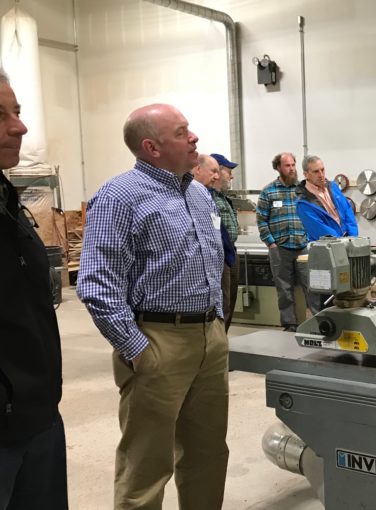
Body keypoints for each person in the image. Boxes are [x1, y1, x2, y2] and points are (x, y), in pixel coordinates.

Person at [77, 104, 229, 510]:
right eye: (182, 132)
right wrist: (137, 348)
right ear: (152, 147)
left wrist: (216, 327)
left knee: (208, 454)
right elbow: (96, 282)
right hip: (158, 339)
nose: (194, 137)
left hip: (208, 338)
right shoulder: (119, 196)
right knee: (146, 466)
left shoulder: (199, 194)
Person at [0, 72, 68, 510]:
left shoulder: (8, 199)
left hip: (37, 413)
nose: (20, 127)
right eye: (0, 115)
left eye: (18, 112)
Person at [256, 152, 319, 331]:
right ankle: (290, 324)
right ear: (278, 168)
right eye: (287, 166)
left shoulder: (302, 189)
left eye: (293, 165)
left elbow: (313, 215)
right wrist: (271, 243)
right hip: (280, 247)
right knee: (284, 289)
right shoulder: (269, 192)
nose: (292, 169)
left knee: (313, 286)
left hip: (303, 246)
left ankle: (319, 320)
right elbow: (261, 220)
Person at [209, 153, 240, 331]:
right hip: (220, 254)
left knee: (232, 298)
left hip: (232, 251)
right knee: (224, 300)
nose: (231, 176)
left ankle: (224, 336)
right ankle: (219, 337)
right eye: (229, 171)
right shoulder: (208, 196)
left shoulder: (223, 197)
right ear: (218, 172)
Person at [295, 154, 357, 241]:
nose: (321, 175)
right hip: (326, 248)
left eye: (322, 170)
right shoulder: (303, 203)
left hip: (347, 242)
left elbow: (348, 211)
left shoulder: (333, 187)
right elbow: (320, 231)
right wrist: (342, 243)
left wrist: (352, 238)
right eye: (316, 172)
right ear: (306, 174)